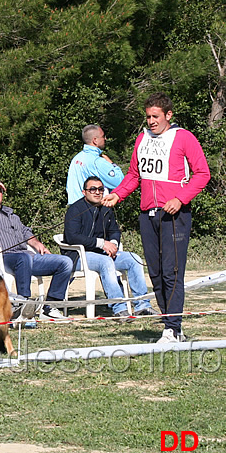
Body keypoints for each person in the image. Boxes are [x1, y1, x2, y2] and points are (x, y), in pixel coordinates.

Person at [102, 93, 210, 343]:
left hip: (174, 214)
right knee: (156, 273)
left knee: (172, 271)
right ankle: (173, 327)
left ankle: (172, 327)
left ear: (168, 115)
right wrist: (117, 195)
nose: (150, 121)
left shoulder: (183, 137)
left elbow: (202, 174)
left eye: (155, 116)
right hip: (147, 213)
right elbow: (133, 175)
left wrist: (180, 199)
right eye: (148, 116)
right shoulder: (142, 138)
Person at [0, 179, 73, 320]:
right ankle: (23, 307)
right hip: (1, 258)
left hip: (27, 257)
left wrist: (37, 243)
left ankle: (50, 307)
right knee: (23, 258)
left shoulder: (12, 215)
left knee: (65, 262)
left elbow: (26, 232)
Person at [64, 176, 158, 320]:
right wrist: (101, 243)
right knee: (105, 262)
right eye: (93, 189)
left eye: (100, 189)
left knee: (134, 259)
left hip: (103, 254)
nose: (97, 192)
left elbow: (114, 230)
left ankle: (142, 305)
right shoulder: (75, 209)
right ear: (84, 192)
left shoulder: (106, 209)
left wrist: (113, 243)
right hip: (78, 256)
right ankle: (119, 308)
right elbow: (72, 237)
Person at [66, 124, 124, 204]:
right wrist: (112, 164)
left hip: (74, 208)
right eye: (103, 136)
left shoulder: (76, 158)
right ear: (95, 140)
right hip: (92, 210)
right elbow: (119, 182)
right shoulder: (97, 161)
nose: (105, 139)